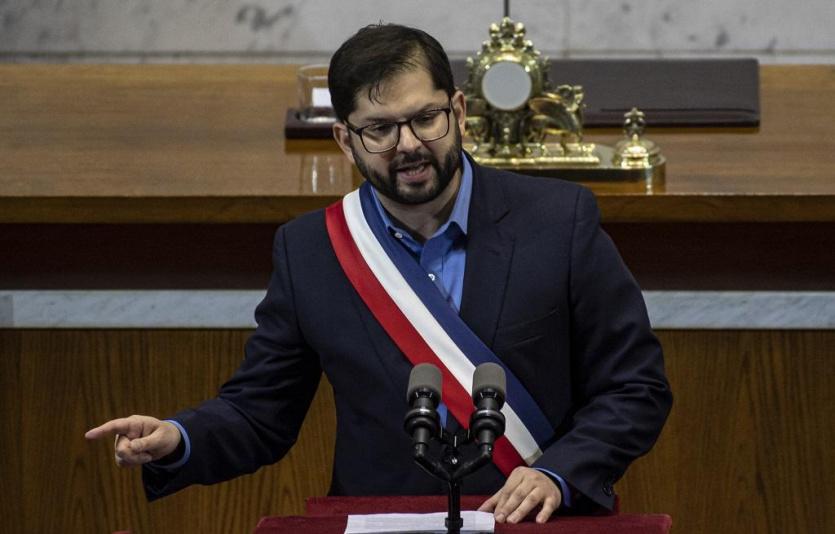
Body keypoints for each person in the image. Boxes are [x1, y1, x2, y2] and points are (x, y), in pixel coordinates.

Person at [85, 23, 672, 524]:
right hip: (382, 521)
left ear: (459, 111)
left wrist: (558, 473)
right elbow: (259, 413)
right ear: (346, 140)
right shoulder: (311, 251)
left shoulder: (558, 221)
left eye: (426, 118)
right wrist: (178, 438)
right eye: (380, 129)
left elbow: (635, 387)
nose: (408, 144)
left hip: (533, 522)